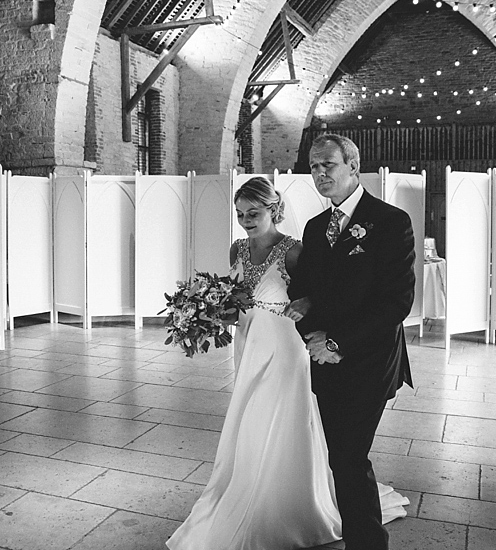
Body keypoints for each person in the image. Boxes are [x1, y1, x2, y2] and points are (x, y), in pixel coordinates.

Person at [167, 176, 407, 550]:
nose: (246, 220)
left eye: (254, 212)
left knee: (281, 414)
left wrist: (323, 329)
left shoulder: (294, 250)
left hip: (284, 344)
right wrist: (211, 312)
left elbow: (319, 294)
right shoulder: (237, 250)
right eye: (241, 213)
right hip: (250, 341)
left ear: (273, 210)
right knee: (249, 416)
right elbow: (239, 298)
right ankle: (250, 485)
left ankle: (290, 501)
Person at [288, 134, 416, 550]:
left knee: (347, 456)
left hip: (369, 359)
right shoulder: (314, 226)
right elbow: (305, 292)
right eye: (314, 166)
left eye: (328, 164)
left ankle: (367, 544)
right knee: (340, 457)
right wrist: (312, 337)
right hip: (323, 360)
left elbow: (396, 302)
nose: (319, 173)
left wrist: (337, 341)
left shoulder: (391, 221)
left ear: (353, 166)